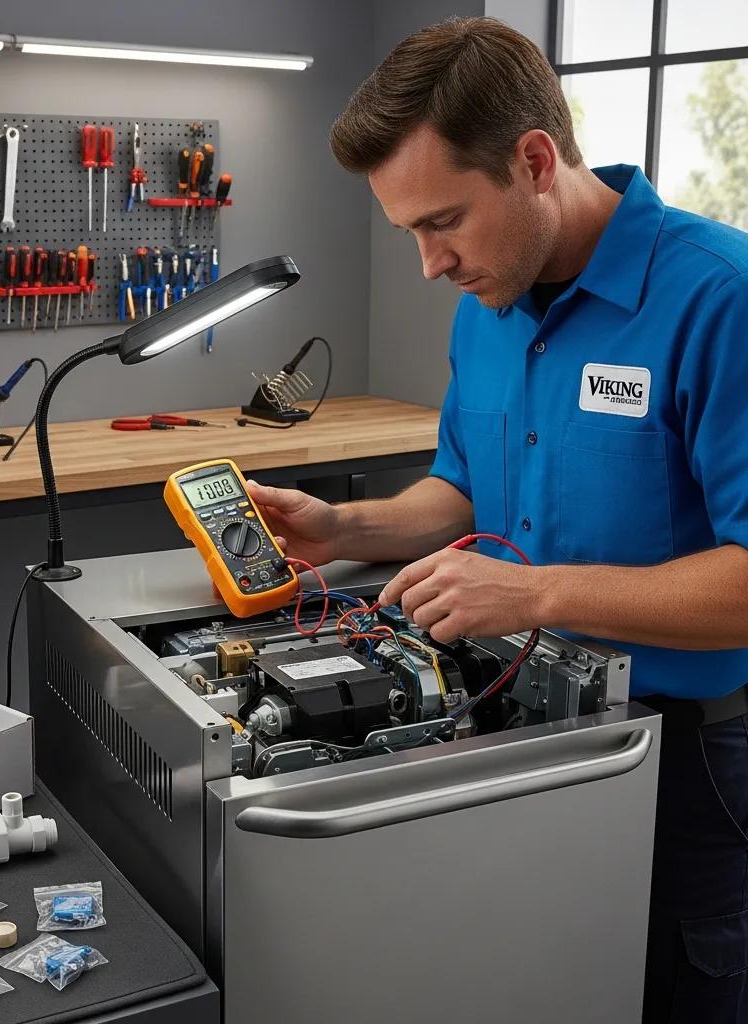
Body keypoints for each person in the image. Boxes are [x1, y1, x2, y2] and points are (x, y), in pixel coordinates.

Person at [245, 16, 748, 1023]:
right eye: (409, 233)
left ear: (532, 161)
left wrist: (531, 592)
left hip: (685, 763)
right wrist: (345, 528)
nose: (430, 264)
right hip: (525, 730)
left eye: (443, 222)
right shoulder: (489, 299)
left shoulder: (719, 298)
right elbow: (466, 494)